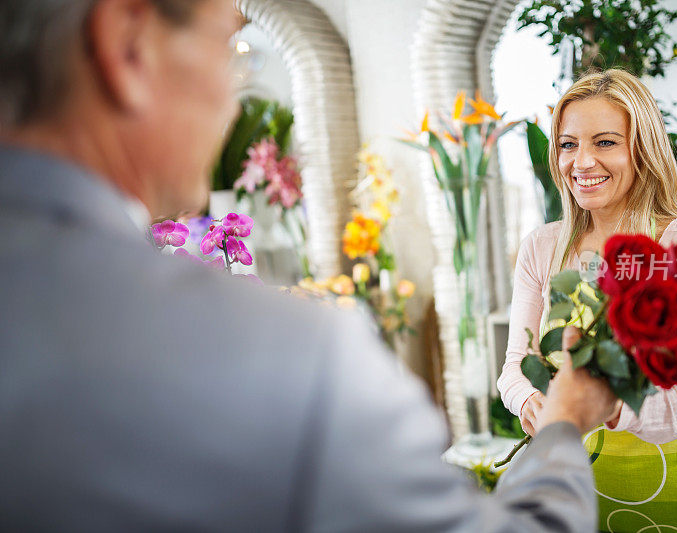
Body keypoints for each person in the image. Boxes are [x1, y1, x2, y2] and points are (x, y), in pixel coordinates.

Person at [0, 0, 620, 530]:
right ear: (127, 45)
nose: (236, 99)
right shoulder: (290, 355)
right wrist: (563, 421)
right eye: (231, 45)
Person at [498, 69, 677, 533]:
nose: (582, 162)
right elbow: (514, 365)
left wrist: (613, 409)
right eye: (568, 144)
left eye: (605, 142)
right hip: (568, 489)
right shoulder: (542, 247)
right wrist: (530, 401)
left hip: (671, 489)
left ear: (642, 148)